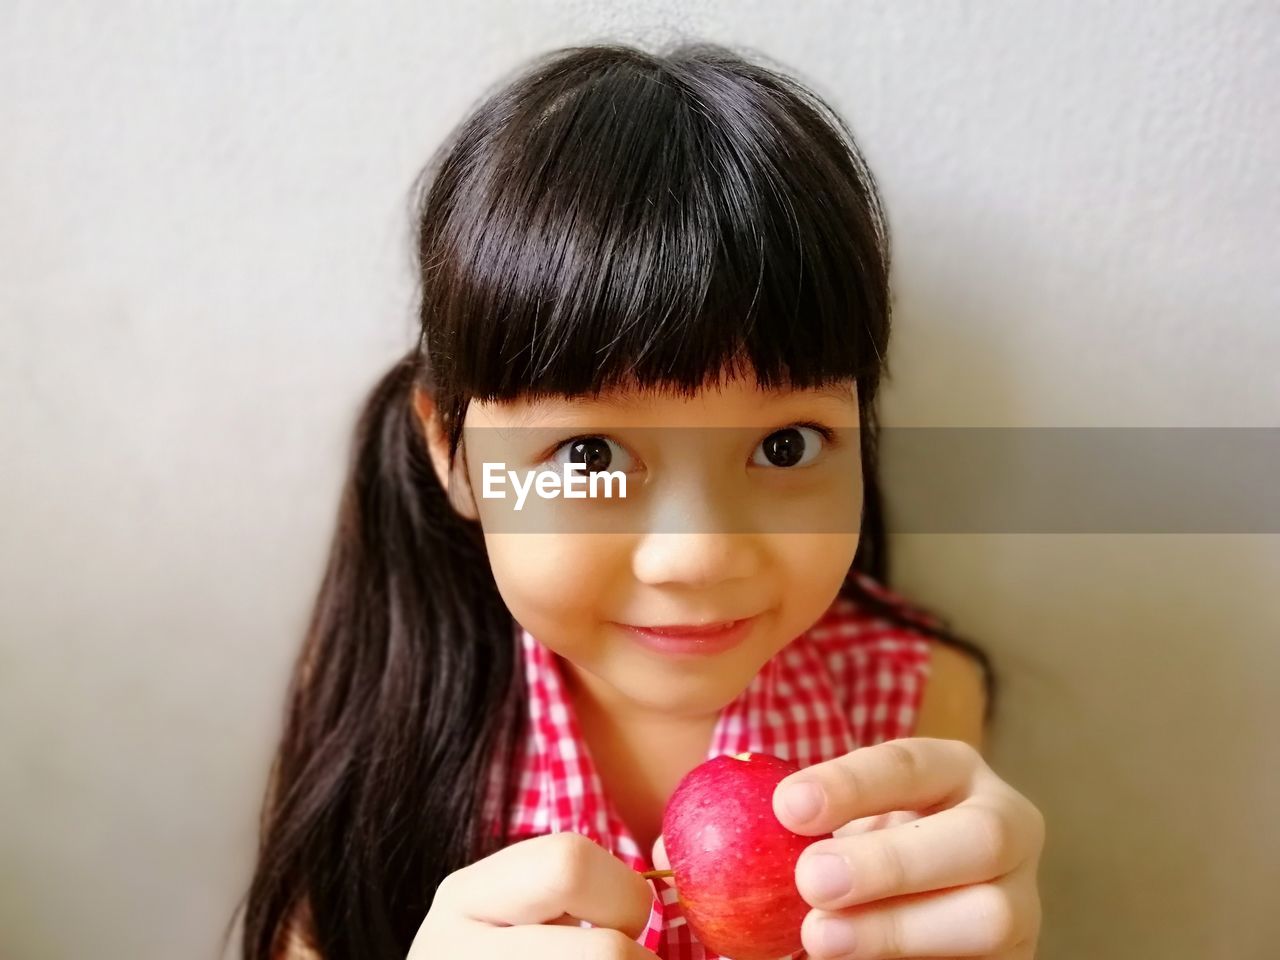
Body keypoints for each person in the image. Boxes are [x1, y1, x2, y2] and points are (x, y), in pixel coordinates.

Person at [234, 40, 1044, 960]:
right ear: (452, 456)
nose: (699, 554)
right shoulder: (384, 704)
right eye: (588, 453)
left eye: (785, 446)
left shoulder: (913, 702)